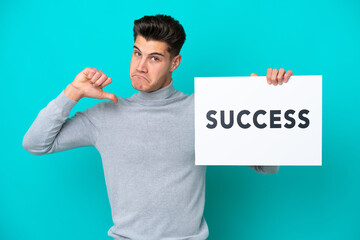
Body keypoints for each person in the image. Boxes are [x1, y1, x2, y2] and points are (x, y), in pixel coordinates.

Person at [23, 14, 292, 240]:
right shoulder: (106, 115)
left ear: (174, 63)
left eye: (154, 58)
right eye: (137, 53)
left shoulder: (204, 110)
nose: (140, 66)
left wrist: (266, 104)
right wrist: (72, 93)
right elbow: (35, 144)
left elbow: (267, 167)